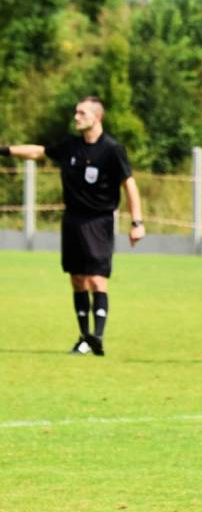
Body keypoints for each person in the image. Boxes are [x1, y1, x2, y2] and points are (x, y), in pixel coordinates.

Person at [0, 96, 144, 356]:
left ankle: (97, 337)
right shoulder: (71, 147)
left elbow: (130, 185)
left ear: (96, 117)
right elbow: (37, 152)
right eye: (76, 112)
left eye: (81, 113)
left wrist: (137, 222)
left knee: (97, 278)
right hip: (73, 220)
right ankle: (83, 337)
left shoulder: (112, 149)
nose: (76, 117)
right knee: (77, 279)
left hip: (99, 221)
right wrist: (4, 150)